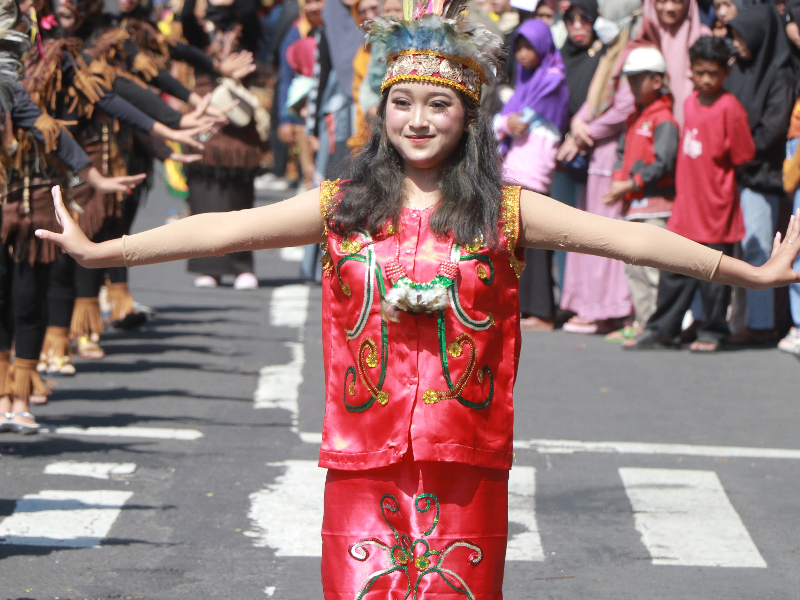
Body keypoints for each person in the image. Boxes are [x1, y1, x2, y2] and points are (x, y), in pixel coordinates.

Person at [35, 1, 800, 595]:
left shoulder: (505, 211)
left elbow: (630, 238)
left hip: (468, 462)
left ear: (467, 117)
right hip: (363, 464)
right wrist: (106, 251)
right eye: (405, 103)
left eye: (440, 105)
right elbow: (225, 228)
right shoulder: (343, 206)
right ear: (383, 111)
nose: (419, 120)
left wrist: (752, 275)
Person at [626, 36, 754, 351]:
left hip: (716, 208)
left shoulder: (731, 108)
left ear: (726, 72)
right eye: (700, 72)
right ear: (691, 72)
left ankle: (712, 332)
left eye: (713, 73)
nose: (706, 79)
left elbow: (743, 155)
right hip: (686, 207)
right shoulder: (689, 103)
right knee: (673, 273)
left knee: (714, 277)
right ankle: (661, 331)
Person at [556, 0, 640, 334]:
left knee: (608, 235)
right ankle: (591, 305)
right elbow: (593, 102)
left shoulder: (631, 53)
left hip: (612, 155)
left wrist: (583, 132)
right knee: (592, 233)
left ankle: (612, 309)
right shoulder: (611, 54)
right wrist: (578, 126)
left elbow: (623, 108)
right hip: (596, 156)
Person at [726, 5, 794, 345]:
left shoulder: (780, 73)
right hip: (729, 173)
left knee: (757, 248)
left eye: (741, 36)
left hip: (758, 175)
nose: (736, 43)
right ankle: (732, 319)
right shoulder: (736, 69)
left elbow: (773, 128)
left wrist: (737, 153)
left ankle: (761, 323)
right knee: (727, 251)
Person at [495, 19, 570, 330]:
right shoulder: (527, 80)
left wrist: (505, 123)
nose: (523, 54)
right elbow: (500, 121)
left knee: (535, 243)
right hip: (516, 168)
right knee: (519, 241)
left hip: (535, 168)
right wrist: (504, 123)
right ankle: (525, 307)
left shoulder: (552, 80)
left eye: (529, 47)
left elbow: (519, 121)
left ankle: (543, 312)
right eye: (519, 48)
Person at [605, 47, 678, 339]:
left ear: (657, 81)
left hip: (657, 207)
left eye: (638, 79)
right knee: (633, 267)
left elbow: (663, 163)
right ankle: (643, 322)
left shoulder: (664, 120)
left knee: (653, 269)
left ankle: (658, 326)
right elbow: (622, 154)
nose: (633, 86)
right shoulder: (635, 117)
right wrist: (617, 180)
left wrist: (632, 183)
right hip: (634, 206)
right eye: (630, 80)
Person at [643, 0, 710, 125]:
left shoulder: (704, 38)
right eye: (662, 1)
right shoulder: (641, 37)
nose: (669, 8)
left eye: (677, 1)